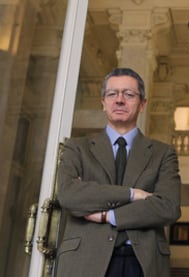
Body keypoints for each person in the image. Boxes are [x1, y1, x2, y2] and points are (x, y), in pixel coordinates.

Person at [56, 67, 181, 277]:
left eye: (129, 94)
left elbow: (168, 207)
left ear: (142, 104)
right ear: (103, 102)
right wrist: (132, 194)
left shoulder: (163, 153)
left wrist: (108, 216)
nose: (120, 100)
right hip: (85, 259)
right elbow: (69, 195)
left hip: (142, 261)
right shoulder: (77, 148)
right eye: (112, 94)